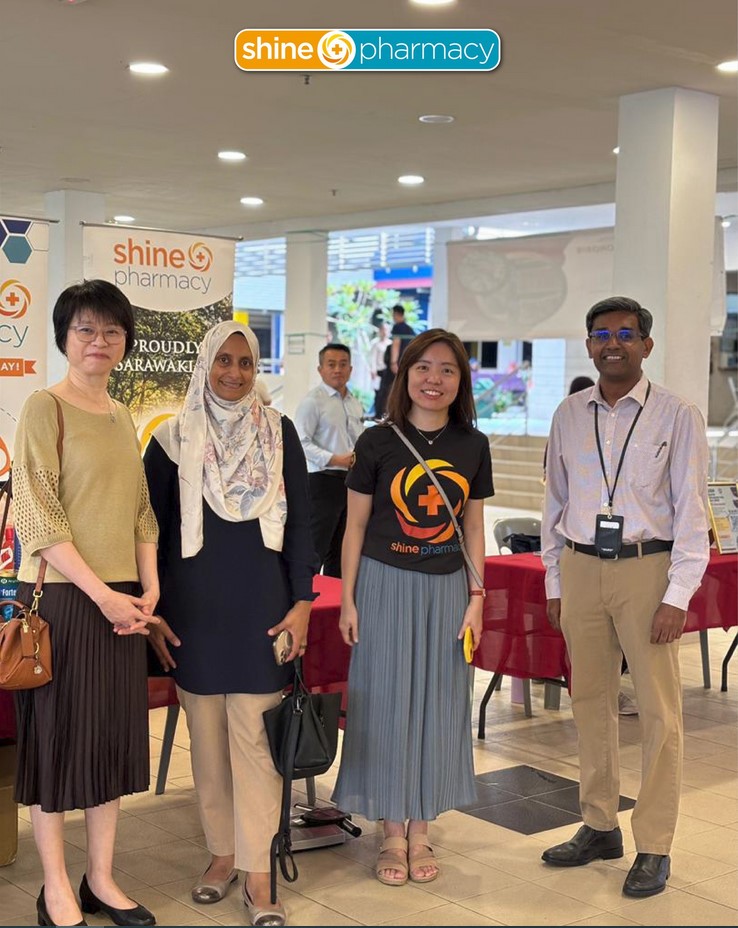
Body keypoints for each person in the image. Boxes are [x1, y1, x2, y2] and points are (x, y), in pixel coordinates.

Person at [144, 320, 317, 928]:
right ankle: (221, 855)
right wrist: (153, 611)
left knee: (257, 744)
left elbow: (303, 523)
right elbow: (149, 533)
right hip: (193, 614)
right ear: (205, 364)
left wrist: (303, 602)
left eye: (246, 362)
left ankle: (258, 871)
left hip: (263, 612)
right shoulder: (170, 439)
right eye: (224, 360)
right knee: (208, 742)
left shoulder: (279, 432)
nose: (235, 373)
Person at [541, 296, 710, 898]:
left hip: (647, 569)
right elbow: (554, 502)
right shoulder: (568, 413)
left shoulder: (677, 414)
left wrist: (678, 594)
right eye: (602, 334)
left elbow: (692, 510)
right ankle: (599, 824)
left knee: (660, 713)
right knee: (590, 701)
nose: (613, 343)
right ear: (589, 345)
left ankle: (655, 844)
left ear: (646, 345)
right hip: (581, 566)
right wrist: (556, 581)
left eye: (626, 334)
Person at [12, 280, 160, 927]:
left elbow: (142, 512)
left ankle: (99, 878)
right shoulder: (44, 408)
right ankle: (55, 889)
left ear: (125, 341)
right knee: (56, 744)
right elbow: (39, 522)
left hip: (121, 606)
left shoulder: (123, 415)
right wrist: (105, 597)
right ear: (64, 337)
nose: (99, 341)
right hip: (63, 603)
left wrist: (148, 589)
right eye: (85, 329)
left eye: (111, 331)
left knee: (108, 744)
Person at [332, 328, 494, 886]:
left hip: (447, 590)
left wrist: (477, 598)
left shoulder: (473, 444)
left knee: (439, 704)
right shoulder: (377, 442)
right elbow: (354, 527)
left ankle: (421, 828)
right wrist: (348, 598)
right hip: (382, 584)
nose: (434, 379)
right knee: (385, 703)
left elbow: (474, 526)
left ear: (461, 381)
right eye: (423, 367)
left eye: (447, 369)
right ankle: (390, 830)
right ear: (405, 376)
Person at [295, 343, 364, 578]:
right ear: (320, 369)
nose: (337, 370)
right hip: (322, 481)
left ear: (350, 369)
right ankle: (305, 594)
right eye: (331, 364)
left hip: (350, 482)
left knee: (342, 547)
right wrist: (334, 459)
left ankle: (335, 596)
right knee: (317, 545)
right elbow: (301, 443)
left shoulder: (354, 402)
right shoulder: (313, 401)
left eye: (343, 364)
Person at [375, 305, 416, 415]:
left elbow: (396, 344)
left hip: (397, 365)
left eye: (393, 314)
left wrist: (393, 362)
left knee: (387, 390)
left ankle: (385, 413)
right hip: (407, 364)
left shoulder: (398, 327)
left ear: (397, 314)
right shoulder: (410, 329)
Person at [369, 321, 392, 417]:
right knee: (378, 393)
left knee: (387, 393)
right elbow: (372, 358)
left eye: (386, 329)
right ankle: (377, 414)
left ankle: (385, 413)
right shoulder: (375, 343)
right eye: (382, 329)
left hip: (388, 372)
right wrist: (373, 370)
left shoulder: (390, 343)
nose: (384, 331)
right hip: (378, 372)